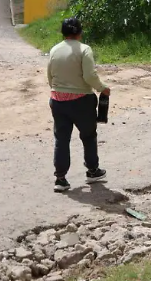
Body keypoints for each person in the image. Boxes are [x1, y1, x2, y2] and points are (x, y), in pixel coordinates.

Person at [47, 17, 110, 192]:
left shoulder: (54, 50)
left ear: (63, 33)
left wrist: (59, 92)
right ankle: (92, 171)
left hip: (58, 100)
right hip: (81, 100)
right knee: (88, 136)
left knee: (61, 139)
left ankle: (60, 179)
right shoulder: (84, 50)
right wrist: (102, 88)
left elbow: (50, 77)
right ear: (80, 33)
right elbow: (89, 76)